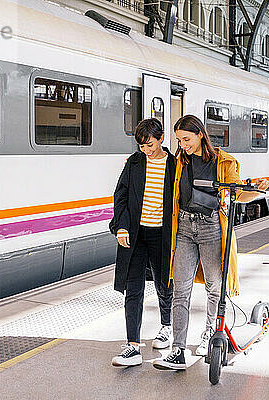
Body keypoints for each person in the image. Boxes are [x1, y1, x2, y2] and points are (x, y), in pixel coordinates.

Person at [153, 115, 269, 370]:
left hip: (211, 229)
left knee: (215, 289)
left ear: (200, 135)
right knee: (180, 291)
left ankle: (209, 334)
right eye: (179, 140)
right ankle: (178, 350)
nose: (183, 145)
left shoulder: (222, 161)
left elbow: (238, 191)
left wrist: (258, 188)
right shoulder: (181, 161)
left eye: (187, 139)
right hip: (183, 228)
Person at [109, 118, 176, 367]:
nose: (146, 150)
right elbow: (121, 195)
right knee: (133, 287)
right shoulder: (135, 162)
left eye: (149, 145)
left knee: (163, 282)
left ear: (161, 139)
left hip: (162, 234)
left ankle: (166, 327)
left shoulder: (174, 164)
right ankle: (133, 346)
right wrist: (121, 226)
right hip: (136, 234)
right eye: (141, 146)